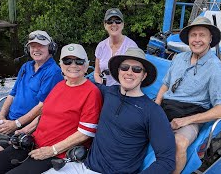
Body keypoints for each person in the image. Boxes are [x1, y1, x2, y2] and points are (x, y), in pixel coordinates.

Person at [44, 47, 175, 174]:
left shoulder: (152, 111)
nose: (129, 72)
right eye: (125, 67)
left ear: (144, 75)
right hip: (83, 166)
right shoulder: (107, 92)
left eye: (136, 69)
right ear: (118, 71)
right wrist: (69, 71)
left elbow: (167, 161)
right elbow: (79, 82)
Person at [0, 44, 103, 174]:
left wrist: (52, 150)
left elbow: (85, 133)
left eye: (79, 61)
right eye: (67, 61)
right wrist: (24, 130)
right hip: (34, 142)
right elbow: (43, 113)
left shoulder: (92, 92)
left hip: (57, 153)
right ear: (61, 66)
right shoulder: (59, 86)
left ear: (86, 66)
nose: (73, 65)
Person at [0, 30, 64, 174]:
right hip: (9, 118)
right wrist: (1, 116)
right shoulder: (26, 67)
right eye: (33, 46)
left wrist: (16, 124)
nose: (36, 50)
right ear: (28, 49)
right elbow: (12, 94)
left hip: (26, 125)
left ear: (51, 48)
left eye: (41, 46)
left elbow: (42, 107)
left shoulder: (53, 72)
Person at [154, 16, 221, 174]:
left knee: (179, 142)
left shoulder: (214, 67)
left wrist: (185, 120)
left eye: (202, 35)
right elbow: (166, 84)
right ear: (188, 38)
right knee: (129, 123)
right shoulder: (179, 58)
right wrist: (156, 103)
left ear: (210, 39)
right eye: (193, 35)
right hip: (166, 107)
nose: (197, 40)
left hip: (191, 113)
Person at [94, 8, 138, 86]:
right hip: (104, 87)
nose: (114, 24)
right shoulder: (101, 46)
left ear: (123, 24)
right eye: (109, 21)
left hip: (124, 88)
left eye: (117, 21)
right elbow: (97, 73)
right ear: (105, 25)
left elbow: (135, 75)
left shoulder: (131, 47)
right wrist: (101, 87)